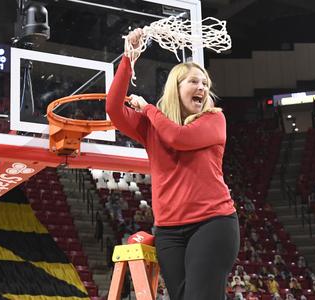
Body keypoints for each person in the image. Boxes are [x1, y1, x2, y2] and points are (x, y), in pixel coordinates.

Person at [106, 28, 239, 300]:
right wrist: (128, 58)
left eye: (205, 83)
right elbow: (113, 108)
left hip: (212, 223)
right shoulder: (152, 126)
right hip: (168, 230)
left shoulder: (214, 120)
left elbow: (178, 138)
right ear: (175, 88)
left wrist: (148, 109)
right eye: (194, 81)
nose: (202, 87)